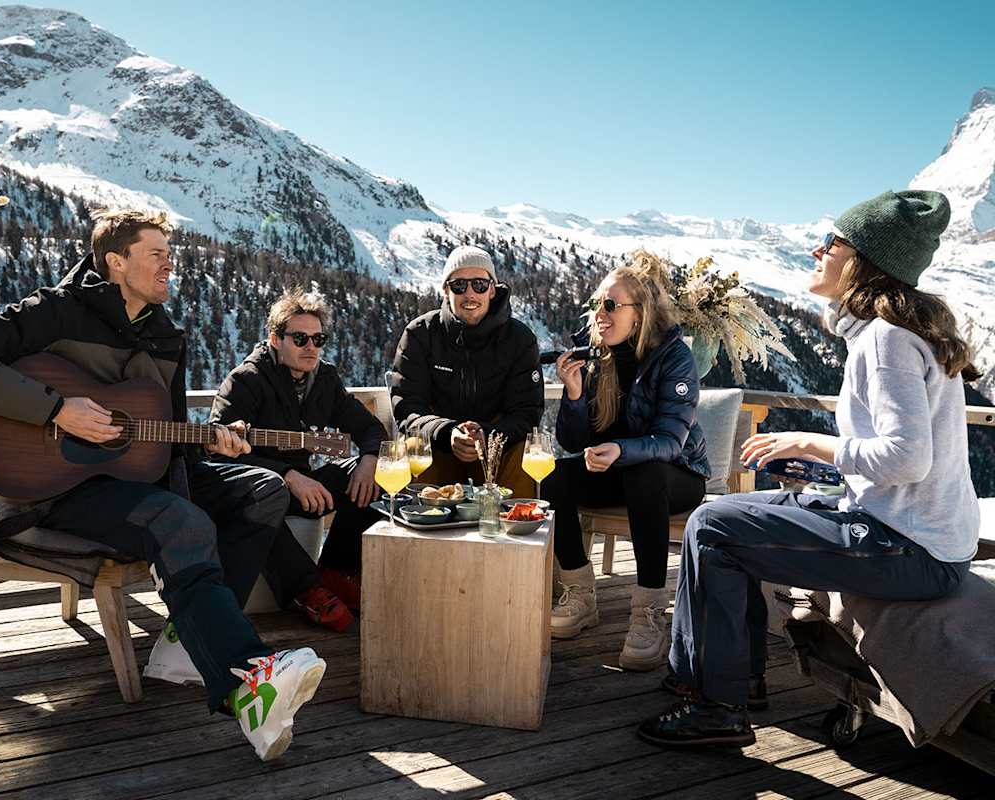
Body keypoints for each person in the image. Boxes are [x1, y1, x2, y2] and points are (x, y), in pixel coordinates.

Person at [0, 209, 325, 762]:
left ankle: (188, 644)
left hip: (135, 479)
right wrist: (56, 409)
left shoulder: (165, 335)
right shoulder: (54, 312)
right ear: (116, 262)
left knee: (262, 491)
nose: (170, 263)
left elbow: (161, 435)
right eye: (155, 253)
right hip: (57, 491)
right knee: (177, 520)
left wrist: (208, 440)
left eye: (169, 252)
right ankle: (246, 680)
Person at [639, 190, 981, 748]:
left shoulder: (886, 340)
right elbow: (900, 459)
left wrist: (813, 443)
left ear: (865, 260)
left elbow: (908, 457)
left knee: (713, 531)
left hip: (910, 549)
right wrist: (821, 466)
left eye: (831, 243)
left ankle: (716, 704)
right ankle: (723, 678)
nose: (816, 251)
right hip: (906, 530)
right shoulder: (893, 333)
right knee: (720, 513)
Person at [542, 258, 708, 670]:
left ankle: (648, 612)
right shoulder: (596, 356)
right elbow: (571, 442)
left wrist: (620, 451)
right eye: (599, 303)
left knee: (644, 473)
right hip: (619, 468)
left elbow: (671, 441)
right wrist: (576, 395)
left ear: (642, 313)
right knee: (554, 479)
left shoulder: (674, 359)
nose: (600, 313)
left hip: (678, 474)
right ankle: (580, 592)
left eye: (612, 305)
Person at [210, 287, 387, 616]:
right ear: (275, 339)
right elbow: (219, 457)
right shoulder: (245, 382)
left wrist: (368, 461)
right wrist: (286, 475)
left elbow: (371, 429)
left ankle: (336, 571)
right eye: (300, 339)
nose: (311, 348)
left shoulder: (324, 380)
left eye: (318, 340)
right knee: (265, 496)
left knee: (374, 476)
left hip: (306, 485)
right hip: (259, 488)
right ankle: (306, 590)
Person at [389, 245, 543, 497]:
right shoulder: (420, 334)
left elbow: (526, 412)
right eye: (459, 285)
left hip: (497, 451)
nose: (470, 294)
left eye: (480, 285)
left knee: (525, 452)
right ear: (446, 289)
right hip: (438, 448)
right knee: (412, 447)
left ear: (492, 289)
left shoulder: (520, 339)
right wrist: (448, 432)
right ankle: (417, 528)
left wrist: (488, 435)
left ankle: (515, 528)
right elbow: (407, 407)